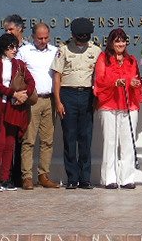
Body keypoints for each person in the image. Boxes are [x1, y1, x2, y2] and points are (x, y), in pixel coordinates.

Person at [52, 17, 102, 189]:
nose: (83, 39)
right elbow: (57, 77)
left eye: (86, 36)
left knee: (86, 138)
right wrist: (58, 101)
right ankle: (72, 178)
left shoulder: (96, 51)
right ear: (73, 35)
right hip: (68, 94)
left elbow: (99, 77)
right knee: (70, 137)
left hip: (87, 95)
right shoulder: (63, 50)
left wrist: (97, 99)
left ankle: (85, 178)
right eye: (80, 36)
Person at [94, 28, 142, 189]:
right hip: (109, 104)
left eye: (122, 41)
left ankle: (128, 178)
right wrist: (115, 82)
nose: (120, 44)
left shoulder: (131, 60)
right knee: (110, 141)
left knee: (128, 141)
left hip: (129, 105)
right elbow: (100, 80)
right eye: (117, 41)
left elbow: (136, 78)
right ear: (111, 42)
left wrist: (135, 83)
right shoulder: (103, 58)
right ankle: (110, 178)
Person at [0, 33, 34, 191]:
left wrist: (24, 95)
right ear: (3, 48)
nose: (14, 49)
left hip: (15, 107)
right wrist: (13, 93)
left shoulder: (19, 64)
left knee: (10, 144)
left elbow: (30, 81)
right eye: (11, 47)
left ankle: (6, 178)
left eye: (16, 46)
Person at [19, 22, 61, 189]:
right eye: (39, 38)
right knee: (29, 140)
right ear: (32, 37)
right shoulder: (24, 52)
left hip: (50, 99)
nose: (43, 41)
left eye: (46, 37)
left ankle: (44, 175)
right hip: (32, 100)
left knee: (47, 140)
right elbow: (18, 74)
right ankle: (27, 176)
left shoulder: (55, 52)